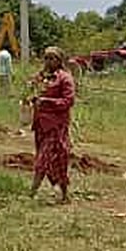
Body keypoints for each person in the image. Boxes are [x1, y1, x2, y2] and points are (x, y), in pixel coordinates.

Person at [30, 47, 76, 204]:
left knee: (44, 160)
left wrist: (47, 102)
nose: (48, 62)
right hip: (40, 125)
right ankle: (62, 193)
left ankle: (31, 193)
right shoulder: (40, 77)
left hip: (56, 126)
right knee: (51, 161)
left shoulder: (64, 78)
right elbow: (32, 92)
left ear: (59, 60)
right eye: (46, 58)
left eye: (52, 58)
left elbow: (68, 101)